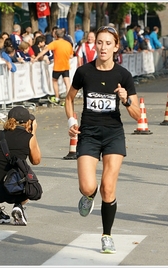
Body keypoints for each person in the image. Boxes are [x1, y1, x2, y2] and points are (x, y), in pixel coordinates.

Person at [65, 25, 141, 253]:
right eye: (100, 42)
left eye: (109, 43)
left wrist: (126, 100)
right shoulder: (84, 72)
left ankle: (107, 235)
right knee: (88, 186)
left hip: (113, 134)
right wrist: (71, 122)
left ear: (116, 46)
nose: (103, 47)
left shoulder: (123, 75)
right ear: (94, 44)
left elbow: (137, 114)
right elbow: (69, 99)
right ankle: (88, 196)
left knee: (108, 187)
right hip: (88, 133)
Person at [0, 106, 41, 225]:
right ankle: (18, 206)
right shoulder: (28, 138)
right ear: (28, 122)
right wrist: (33, 133)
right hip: (13, 191)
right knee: (30, 182)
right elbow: (36, 160)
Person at [32, 28, 73, 105]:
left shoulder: (55, 43)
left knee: (55, 81)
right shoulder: (68, 44)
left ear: (56, 36)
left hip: (57, 66)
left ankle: (57, 98)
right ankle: (69, 99)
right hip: (66, 65)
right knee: (67, 82)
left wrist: (36, 58)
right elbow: (71, 56)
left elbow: (44, 51)